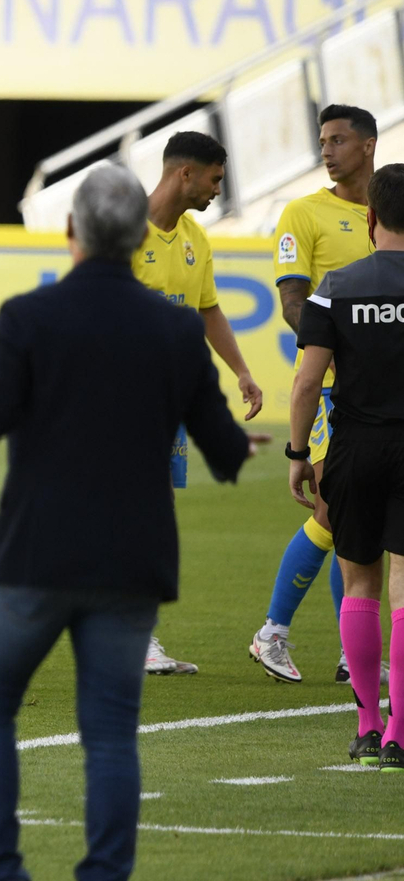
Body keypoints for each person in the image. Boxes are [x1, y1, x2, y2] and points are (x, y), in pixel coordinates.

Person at [0, 163, 250, 881]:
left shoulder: (29, 317)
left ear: (70, 232)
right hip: (132, 562)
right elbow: (223, 450)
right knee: (112, 733)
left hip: (34, 554)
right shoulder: (179, 330)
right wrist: (245, 445)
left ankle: (2, 870)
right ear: (140, 237)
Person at [129, 130, 265, 676]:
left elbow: (208, 310)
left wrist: (242, 372)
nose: (217, 190)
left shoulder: (194, 239)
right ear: (185, 173)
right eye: (214, 179)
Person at [251, 104, 379, 685]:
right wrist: (347, 349)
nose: (326, 150)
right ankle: (273, 632)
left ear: (369, 144)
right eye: (322, 141)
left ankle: (352, 653)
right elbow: (292, 303)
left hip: (382, 391)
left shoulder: (390, 210)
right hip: (332, 388)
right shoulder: (303, 213)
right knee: (335, 513)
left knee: (357, 518)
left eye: (338, 140)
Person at [289, 163, 404, 768]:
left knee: (359, 583)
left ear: (371, 216)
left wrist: (297, 453)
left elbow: (308, 382)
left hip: (354, 448)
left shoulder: (336, 286)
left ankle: (367, 727)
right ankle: (401, 734)